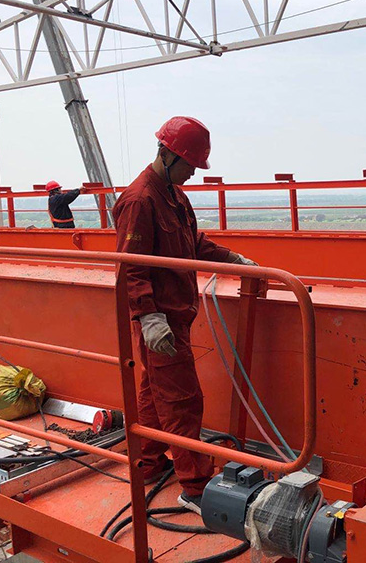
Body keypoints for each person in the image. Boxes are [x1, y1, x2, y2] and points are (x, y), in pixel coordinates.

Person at [113, 116, 257, 514]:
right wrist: (148, 317)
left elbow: (193, 242)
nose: (194, 172)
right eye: (190, 164)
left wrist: (233, 259)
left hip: (175, 317)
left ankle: (146, 462)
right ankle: (195, 487)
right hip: (161, 320)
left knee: (153, 394)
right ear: (167, 155)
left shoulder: (173, 194)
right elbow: (130, 266)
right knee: (183, 401)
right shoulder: (140, 200)